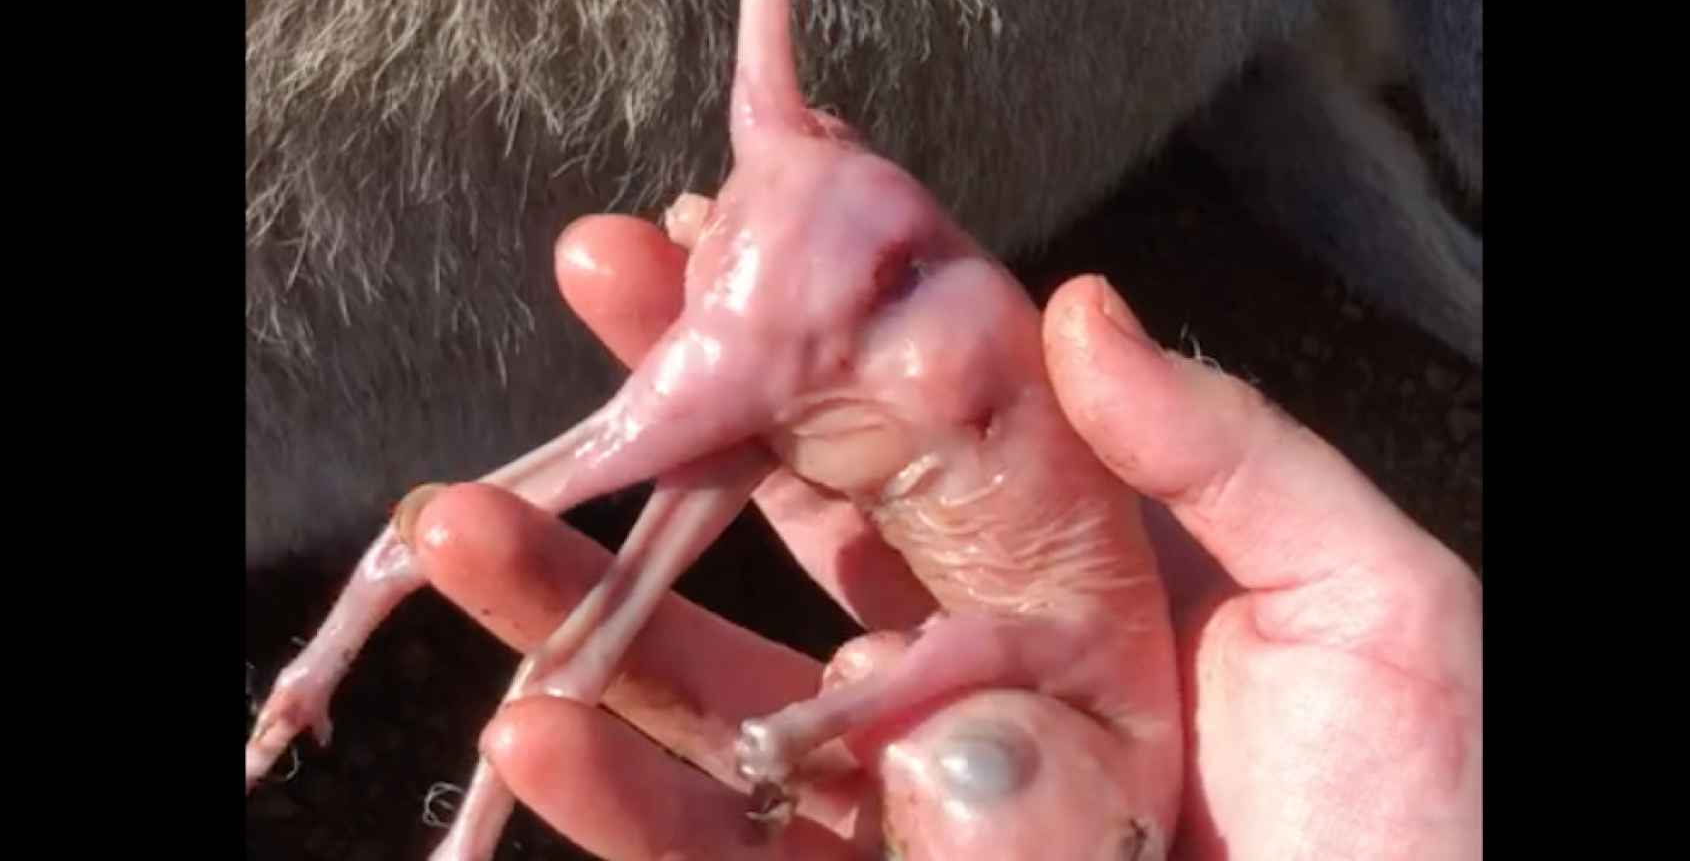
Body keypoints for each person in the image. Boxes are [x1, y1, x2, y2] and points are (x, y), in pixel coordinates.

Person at [402, 213, 1483, 859]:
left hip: (915, 446)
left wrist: (846, 717)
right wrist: (816, 723)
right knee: (595, 539)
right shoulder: (1113, 716)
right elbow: (918, 670)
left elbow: (896, 677)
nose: (889, 777)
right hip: (934, 399)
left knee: (598, 570)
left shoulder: (1098, 759)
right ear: (1129, 842)